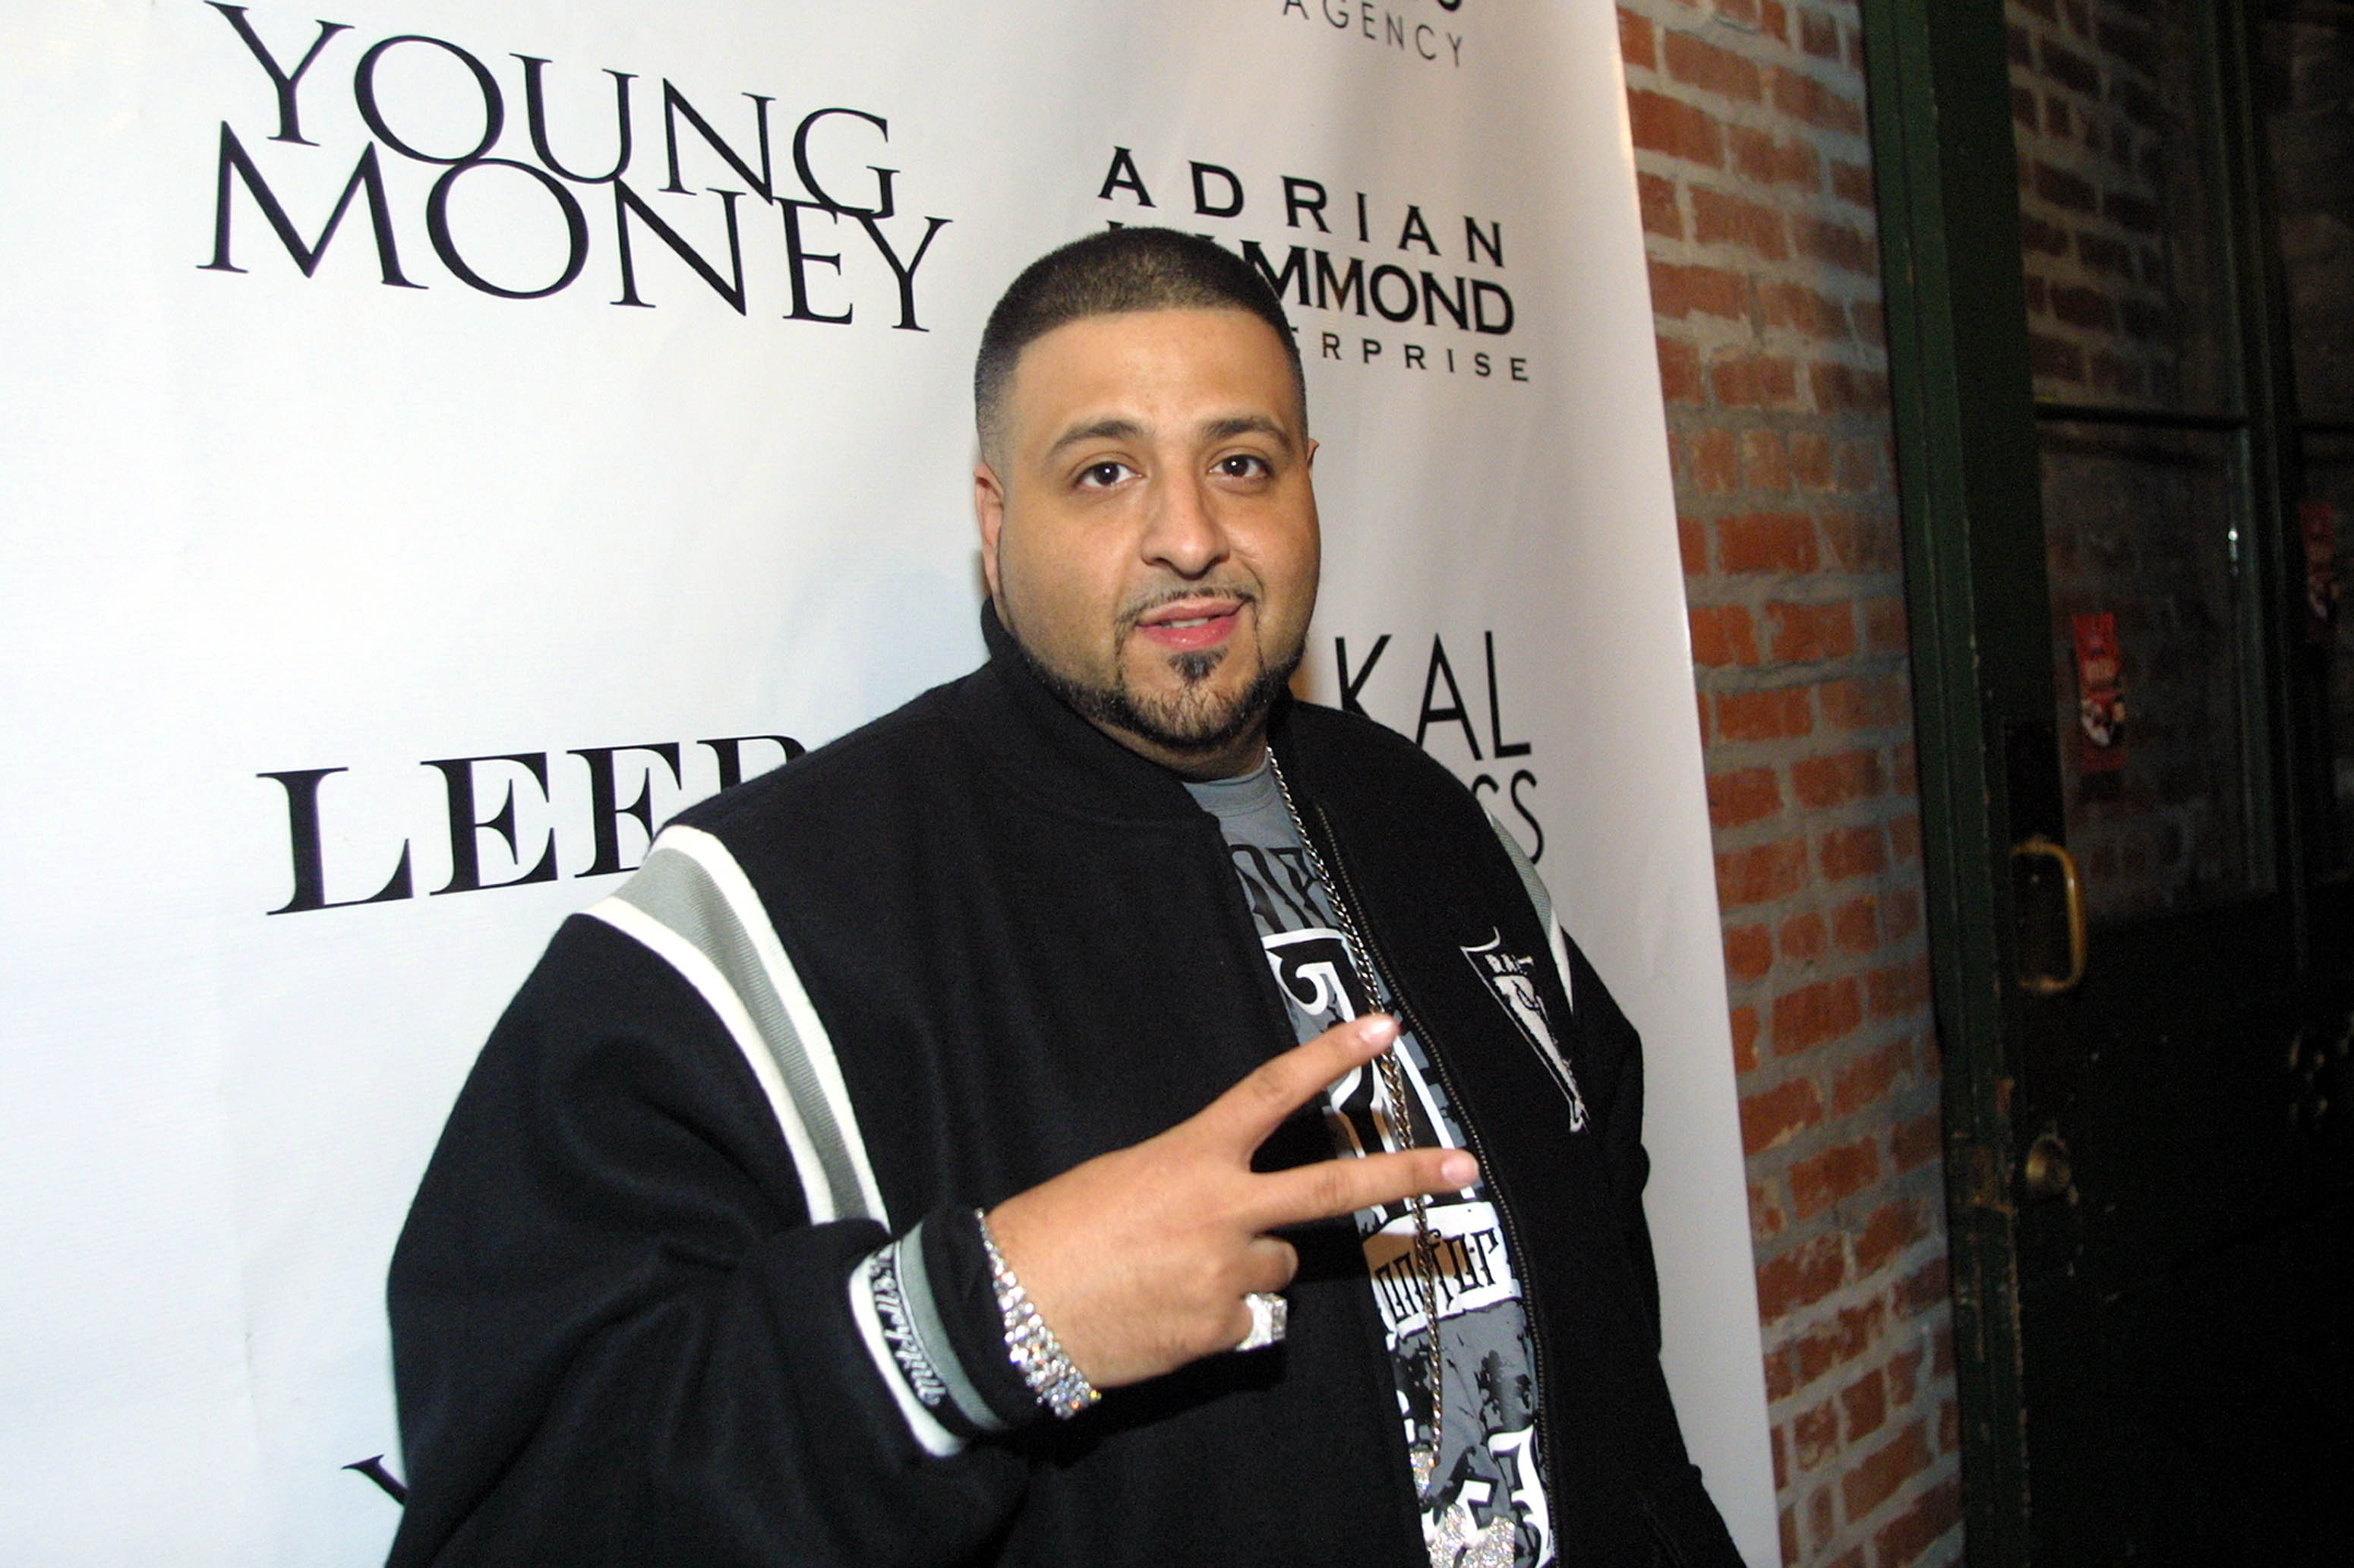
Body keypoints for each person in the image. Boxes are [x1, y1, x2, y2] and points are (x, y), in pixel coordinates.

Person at [386, 227, 1742, 1568]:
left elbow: (1606, 1284)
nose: (1190, 536)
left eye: (1241, 463)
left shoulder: (1426, 817)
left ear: (1308, 483)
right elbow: (531, 1502)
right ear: (996, 521)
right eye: (1105, 471)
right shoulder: (777, 913)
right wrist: (980, 1322)